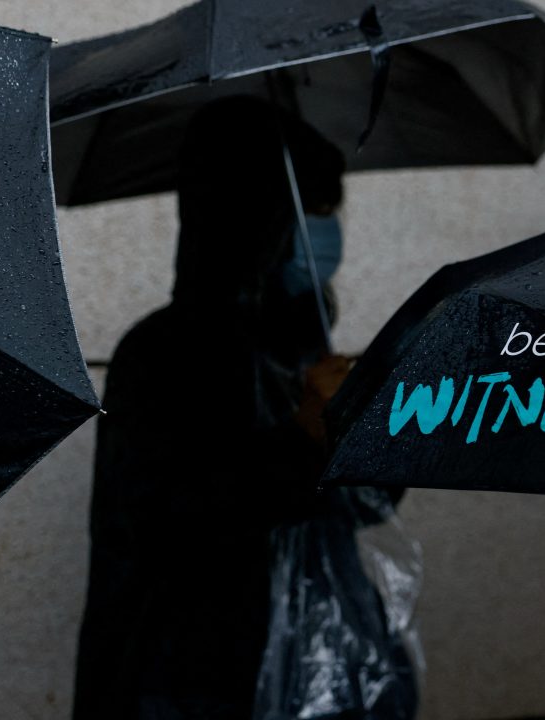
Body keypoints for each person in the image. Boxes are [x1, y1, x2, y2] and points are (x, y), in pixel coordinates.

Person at [72, 97, 408, 720]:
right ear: (253, 218)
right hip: (183, 689)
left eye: (331, 213)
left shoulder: (299, 346)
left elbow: (355, 507)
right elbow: (185, 517)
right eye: (311, 212)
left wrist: (376, 426)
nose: (326, 234)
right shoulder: (164, 355)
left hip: (308, 674)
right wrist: (307, 434)